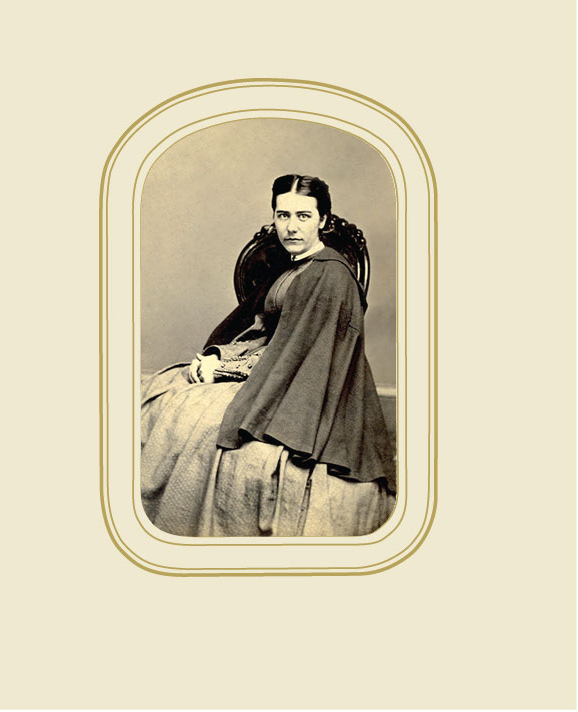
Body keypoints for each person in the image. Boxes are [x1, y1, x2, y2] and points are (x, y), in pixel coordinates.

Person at [141, 174, 396, 537]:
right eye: (283, 215)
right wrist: (218, 356)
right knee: (167, 389)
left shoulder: (331, 276)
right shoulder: (291, 267)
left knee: (200, 423)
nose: (291, 226)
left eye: (304, 216)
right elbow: (262, 330)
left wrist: (224, 370)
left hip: (313, 385)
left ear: (323, 219)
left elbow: (298, 353)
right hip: (275, 365)